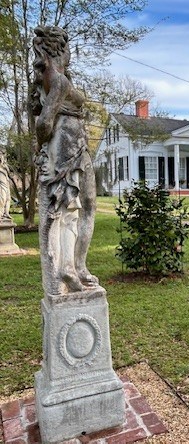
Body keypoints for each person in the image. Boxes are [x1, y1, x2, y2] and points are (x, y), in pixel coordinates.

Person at [32, 25, 98, 294]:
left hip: (75, 145)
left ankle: (77, 266)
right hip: (67, 147)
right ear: (58, 48)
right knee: (73, 207)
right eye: (68, 47)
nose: (71, 52)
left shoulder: (54, 77)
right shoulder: (57, 79)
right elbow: (44, 123)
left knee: (86, 204)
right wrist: (44, 151)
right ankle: (69, 268)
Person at [0, 151, 12, 221]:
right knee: (2, 199)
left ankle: (6, 213)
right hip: (1, 185)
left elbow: (9, 173)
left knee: (8, 199)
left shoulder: (4, 166)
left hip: (6, 184)